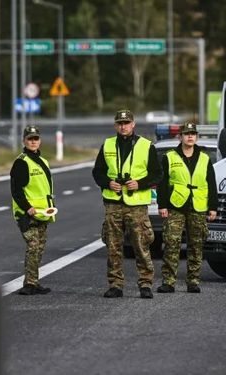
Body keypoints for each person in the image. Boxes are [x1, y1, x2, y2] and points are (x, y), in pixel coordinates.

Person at [92, 109, 162, 299]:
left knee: (141, 245)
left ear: (133, 124)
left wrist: (140, 183)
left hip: (137, 204)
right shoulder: (107, 145)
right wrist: (108, 183)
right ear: (116, 125)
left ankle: (145, 284)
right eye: (120, 123)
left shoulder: (146, 146)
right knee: (113, 245)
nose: (123, 126)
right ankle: (115, 285)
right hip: (113, 203)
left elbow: (158, 174)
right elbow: (97, 172)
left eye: (126, 123)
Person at [156, 122, 218, 293]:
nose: (190, 136)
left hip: (198, 206)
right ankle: (168, 281)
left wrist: (213, 207)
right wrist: (162, 205)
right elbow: (162, 183)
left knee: (196, 245)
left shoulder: (205, 158)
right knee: (171, 243)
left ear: (196, 136)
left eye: (193, 134)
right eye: (186, 134)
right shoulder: (170, 156)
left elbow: (211, 184)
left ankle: (193, 280)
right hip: (176, 205)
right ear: (180, 136)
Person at [11, 125, 56, 295]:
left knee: (40, 247)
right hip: (26, 214)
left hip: (43, 213)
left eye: (36, 138)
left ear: (40, 141)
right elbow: (16, 190)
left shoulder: (43, 161)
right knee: (33, 246)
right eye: (30, 139)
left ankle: (34, 282)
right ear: (24, 140)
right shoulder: (21, 162)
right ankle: (29, 284)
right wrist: (27, 208)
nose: (33, 141)